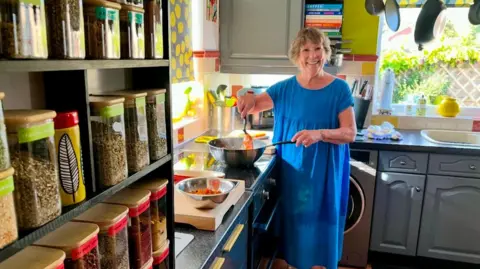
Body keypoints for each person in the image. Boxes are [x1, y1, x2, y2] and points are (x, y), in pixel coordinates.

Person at [237, 28, 357, 269]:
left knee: (320, 235)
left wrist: (320, 134)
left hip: (324, 176)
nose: (313, 55)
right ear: (296, 55)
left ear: (326, 53)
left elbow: (350, 133)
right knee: (296, 235)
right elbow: (250, 105)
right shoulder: (283, 89)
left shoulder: (339, 90)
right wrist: (246, 94)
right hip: (292, 177)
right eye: (306, 50)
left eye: (318, 49)